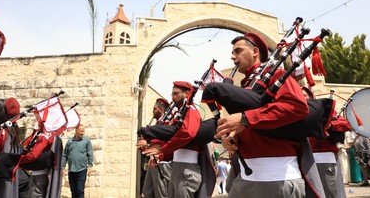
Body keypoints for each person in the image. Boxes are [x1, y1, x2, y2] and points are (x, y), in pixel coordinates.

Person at [213, 33, 322, 198]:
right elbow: (255, 125)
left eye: (238, 51)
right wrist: (233, 139)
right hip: (244, 178)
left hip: (275, 180)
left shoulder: (276, 75)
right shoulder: (246, 86)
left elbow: (297, 107)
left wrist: (245, 119)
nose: (232, 56)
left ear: (255, 51)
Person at [142, 81, 203, 198]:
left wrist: (163, 150)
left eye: (176, 94)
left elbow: (187, 133)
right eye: (172, 94)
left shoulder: (191, 110)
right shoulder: (180, 113)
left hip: (187, 167)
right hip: (176, 165)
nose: (173, 97)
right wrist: (160, 156)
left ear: (186, 93)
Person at [304, 87, 350, 198]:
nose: (302, 97)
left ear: (311, 96)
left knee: (328, 193)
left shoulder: (322, 110)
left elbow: (345, 124)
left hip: (323, 158)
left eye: (304, 95)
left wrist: (330, 125)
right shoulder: (294, 111)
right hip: (303, 159)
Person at [138, 98, 171, 198]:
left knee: (161, 194)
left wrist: (148, 142)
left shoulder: (167, 124)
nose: (153, 111)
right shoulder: (156, 125)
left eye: (155, 109)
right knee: (146, 193)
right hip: (152, 161)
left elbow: (165, 141)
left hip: (161, 162)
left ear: (162, 110)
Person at [62, 124, 94, 198]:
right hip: (71, 170)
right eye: (81, 131)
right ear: (76, 131)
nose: (83, 133)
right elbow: (65, 155)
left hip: (82, 169)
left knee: (80, 189)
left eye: (83, 131)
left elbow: (90, 153)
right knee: (73, 191)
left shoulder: (86, 140)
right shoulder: (70, 141)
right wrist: (63, 167)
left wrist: (90, 166)